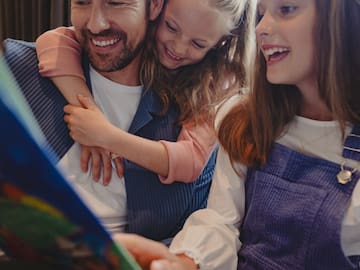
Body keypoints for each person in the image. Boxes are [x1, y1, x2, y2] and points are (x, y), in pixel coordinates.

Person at [111, 0, 360, 269]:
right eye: (261, 15)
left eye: (286, 9)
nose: (261, 29)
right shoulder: (242, 120)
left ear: (342, 20)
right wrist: (182, 261)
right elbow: (222, 223)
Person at [2, 0, 223, 242]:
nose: (96, 25)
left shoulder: (194, 114)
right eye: (82, 2)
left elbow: (191, 235)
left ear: (155, 6)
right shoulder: (15, 70)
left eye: (116, 3)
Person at [35, 0, 252, 186]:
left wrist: (107, 137)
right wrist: (89, 111)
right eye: (171, 27)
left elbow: (192, 161)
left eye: (197, 44)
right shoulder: (134, 38)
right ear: (157, 8)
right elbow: (51, 40)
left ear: (219, 44)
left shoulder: (218, 79)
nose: (177, 47)